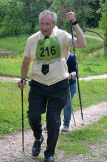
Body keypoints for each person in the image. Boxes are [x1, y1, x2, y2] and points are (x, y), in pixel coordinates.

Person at [18, 11, 86, 162]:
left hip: (58, 84)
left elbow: (82, 44)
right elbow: (26, 62)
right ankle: (38, 137)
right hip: (38, 84)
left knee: (53, 120)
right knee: (33, 115)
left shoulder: (61, 35)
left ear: (54, 24)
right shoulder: (32, 40)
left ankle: (49, 152)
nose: (44, 27)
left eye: (48, 24)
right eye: (42, 23)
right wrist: (22, 79)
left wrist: (74, 23)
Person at [61, 50, 77, 133]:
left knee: (67, 104)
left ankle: (66, 125)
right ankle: (53, 124)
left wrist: (70, 75)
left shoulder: (72, 57)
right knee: (56, 104)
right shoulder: (57, 56)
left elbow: (75, 72)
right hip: (59, 85)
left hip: (70, 84)